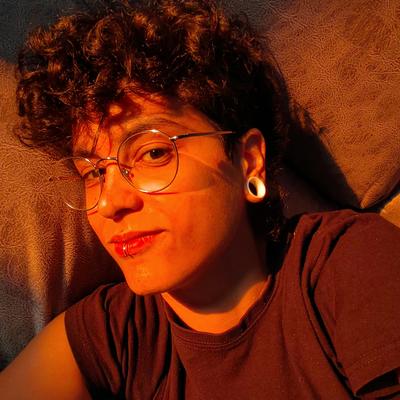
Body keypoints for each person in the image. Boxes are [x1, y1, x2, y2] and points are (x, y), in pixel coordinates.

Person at [1, 0, 400, 398]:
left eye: (153, 153)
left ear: (248, 161)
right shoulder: (109, 334)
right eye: (94, 173)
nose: (109, 203)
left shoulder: (350, 262)